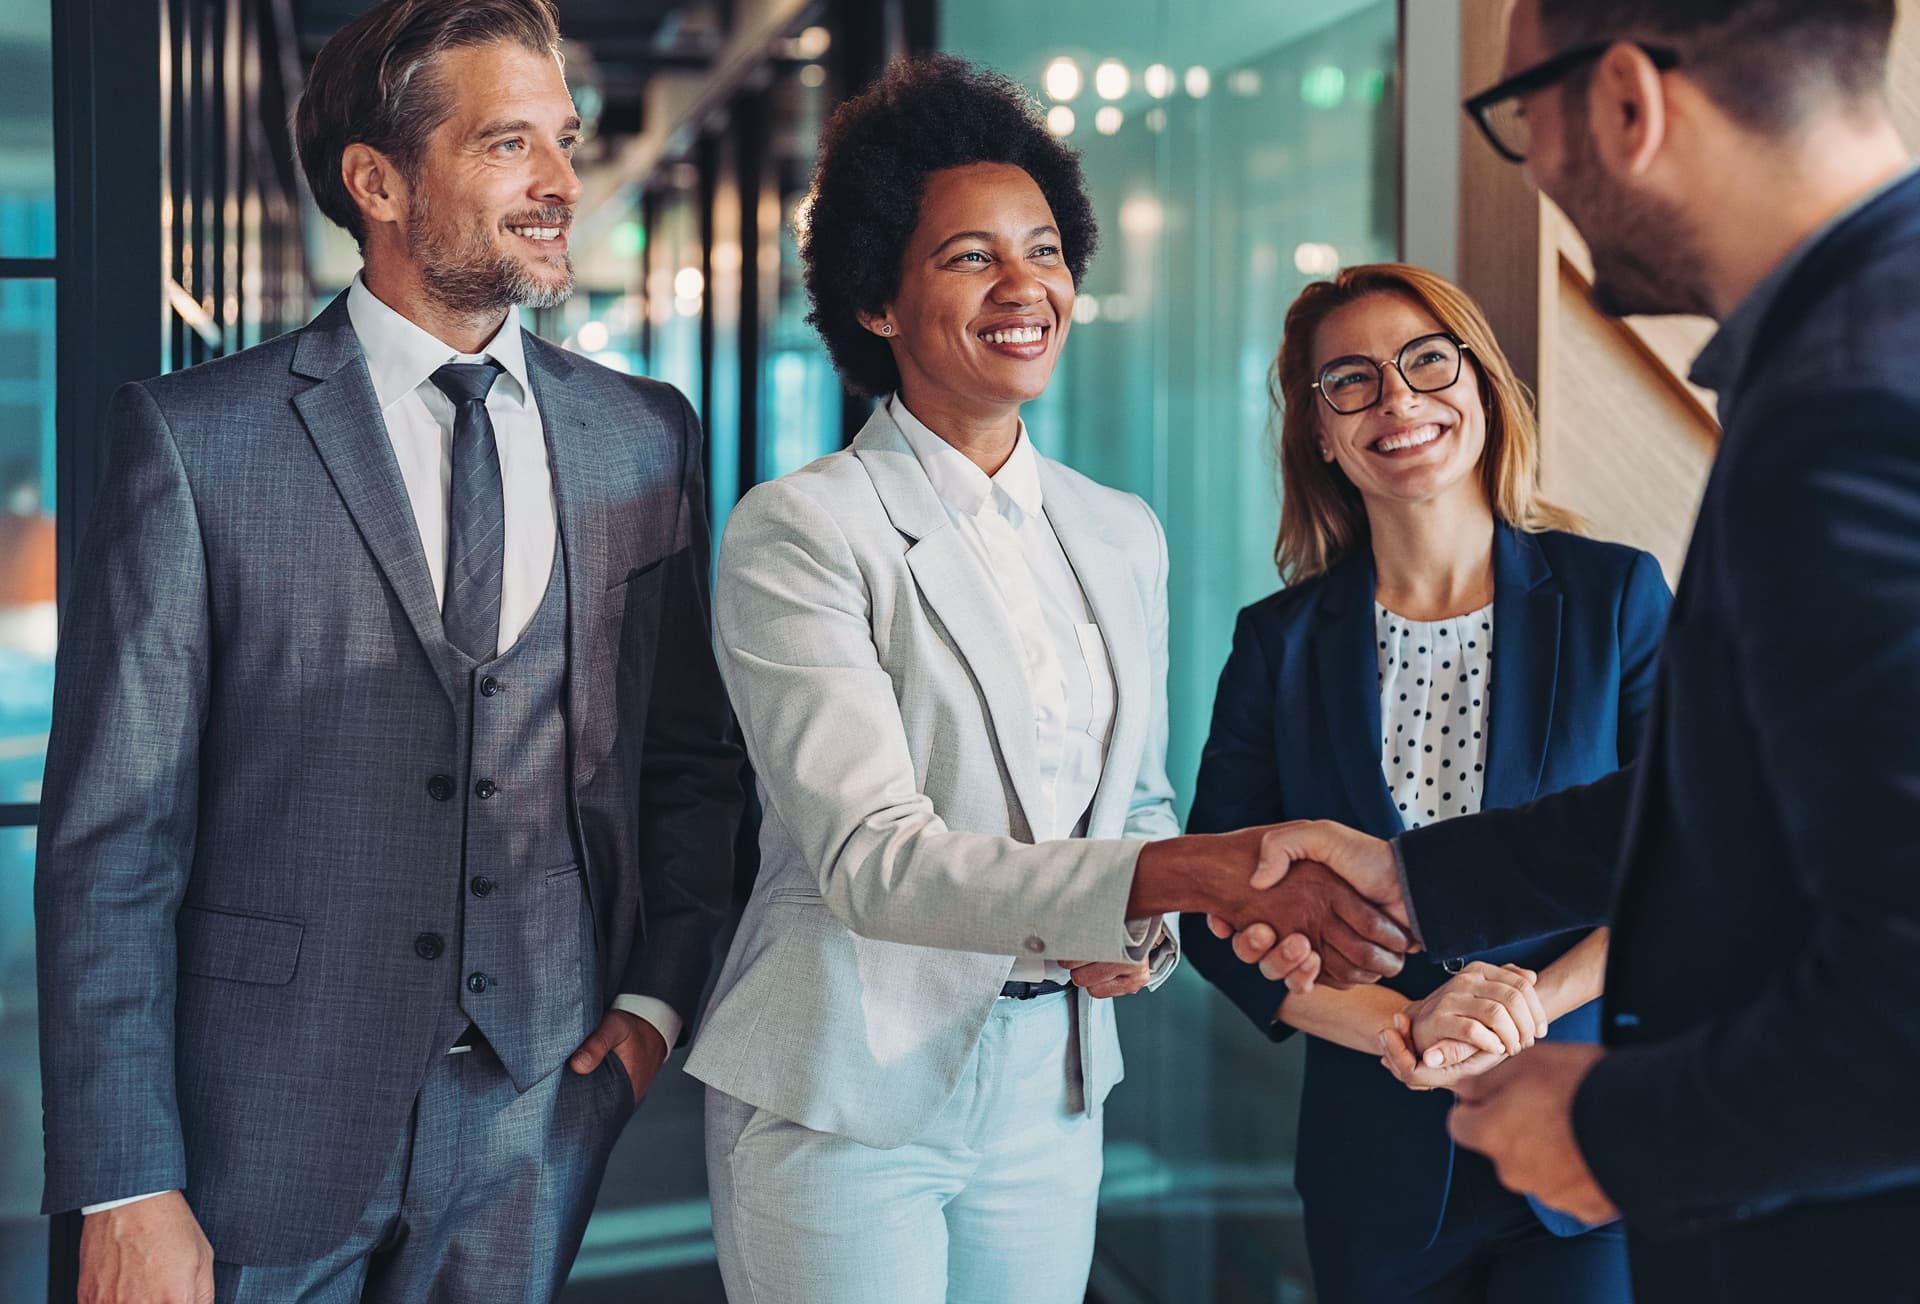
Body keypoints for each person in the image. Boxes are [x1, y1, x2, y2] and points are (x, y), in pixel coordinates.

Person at [33, 1, 744, 1299]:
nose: (559, 185)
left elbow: (690, 757)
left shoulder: (642, 438)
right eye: (507, 145)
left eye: (565, 143)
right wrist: (126, 1179)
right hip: (263, 1118)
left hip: (542, 1110)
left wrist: (655, 1002)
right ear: (379, 182)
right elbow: (112, 844)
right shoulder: (199, 443)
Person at [1219, 1, 1920, 1298]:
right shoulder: (1859, 345)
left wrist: (1609, 1131)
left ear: (1624, 104)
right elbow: (1733, 805)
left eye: (1518, 119)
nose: (1533, 171)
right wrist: (1414, 879)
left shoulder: (1849, 410)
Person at [684, 56, 1412, 1304]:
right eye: (969, 257)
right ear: (876, 298)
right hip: (849, 1087)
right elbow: (874, 857)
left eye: (1043, 248)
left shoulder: (1118, 529)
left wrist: (1142, 934)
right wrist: (1187, 871)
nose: (1025, 286)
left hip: (1054, 1081)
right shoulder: (804, 529)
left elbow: (1132, 803)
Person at [1182, 263, 1668, 1302]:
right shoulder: (1279, 642)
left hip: (1585, 1146)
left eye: (1426, 362)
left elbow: (1685, 855)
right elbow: (1207, 910)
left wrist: (1525, 1006)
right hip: (1378, 1167)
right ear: (1319, 430)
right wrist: (1395, 1026)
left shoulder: (1616, 597)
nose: (1397, 400)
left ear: (1482, 384)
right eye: (1349, 380)